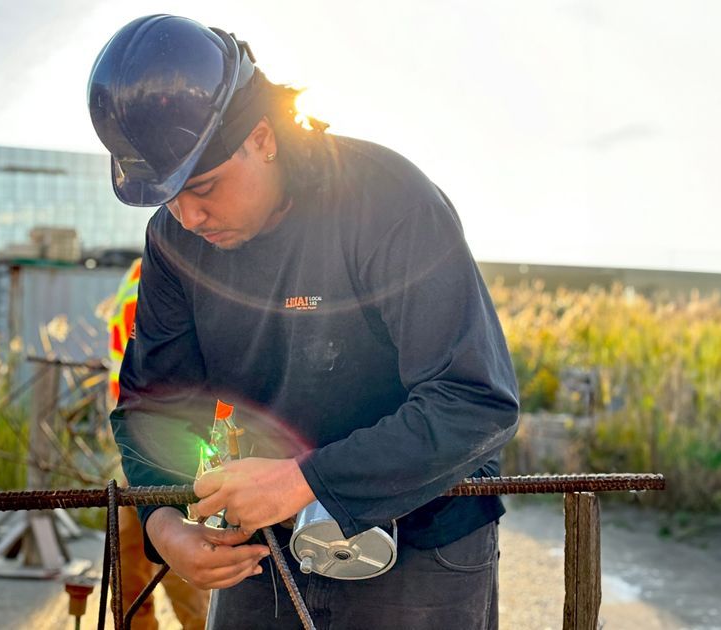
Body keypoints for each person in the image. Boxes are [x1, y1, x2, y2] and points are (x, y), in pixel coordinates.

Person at [89, 14, 519, 629]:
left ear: (263, 137)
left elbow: (475, 403)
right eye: (168, 196)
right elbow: (153, 404)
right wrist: (164, 525)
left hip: (425, 543)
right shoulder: (173, 243)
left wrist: (304, 481)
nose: (187, 216)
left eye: (204, 186)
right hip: (262, 547)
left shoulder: (388, 201)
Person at [106, 257, 211, 630]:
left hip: (170, 443)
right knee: (130, 555)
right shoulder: (146, 271)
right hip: (133, 439)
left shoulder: (172, 271)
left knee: (175, 557)